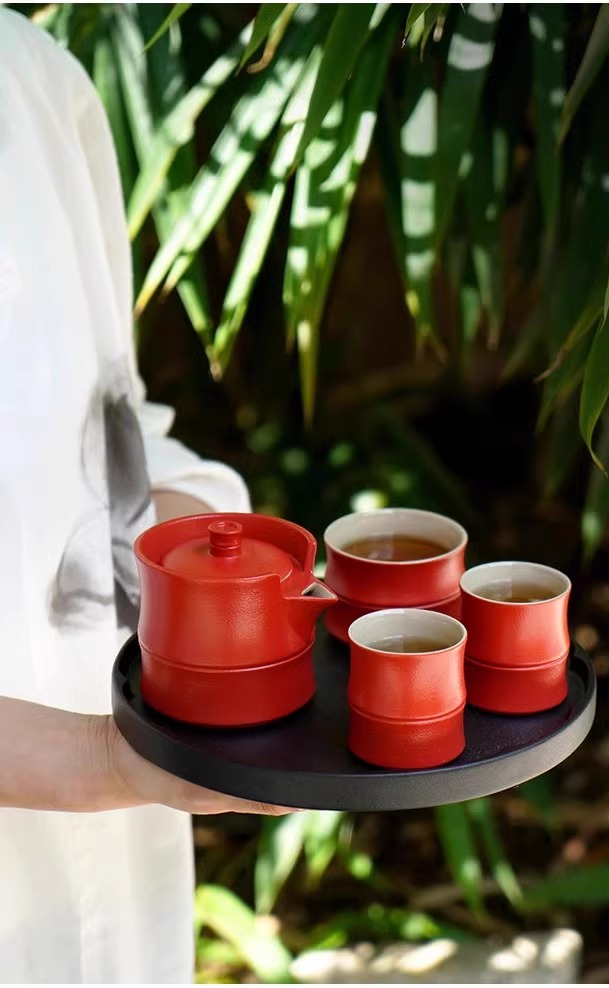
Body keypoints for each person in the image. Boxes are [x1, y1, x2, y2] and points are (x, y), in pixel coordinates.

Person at [0, 9, 291, 982]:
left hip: (115, 877)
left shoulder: (30, 73)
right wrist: (103, 761)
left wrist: (254, 583)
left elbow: (108, 427)